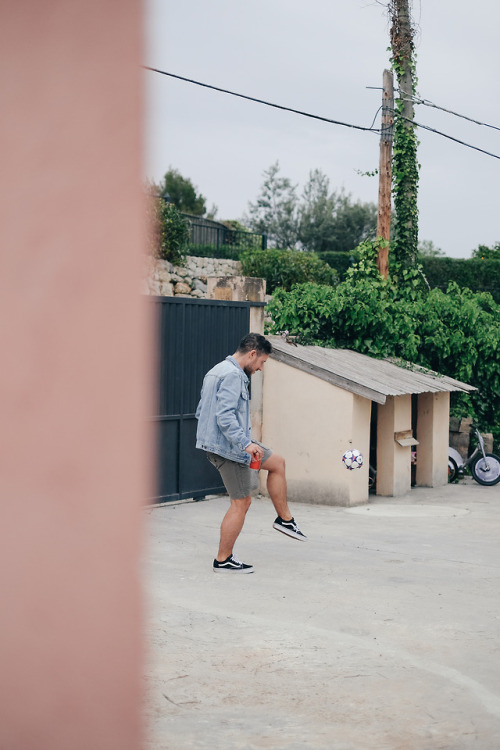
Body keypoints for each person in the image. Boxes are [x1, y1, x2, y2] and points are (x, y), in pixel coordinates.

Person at [195, 332, 307, 574]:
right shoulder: (234, 375)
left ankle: (285, 521)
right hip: (228, 448)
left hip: (231, 442)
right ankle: (223, 560)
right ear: (253, 353)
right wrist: (244, 444)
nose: (261, 368)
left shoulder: (217, 370)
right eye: (262, 362)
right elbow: (223, 416)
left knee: (277, 462)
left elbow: (202, 410)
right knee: (241, 502)